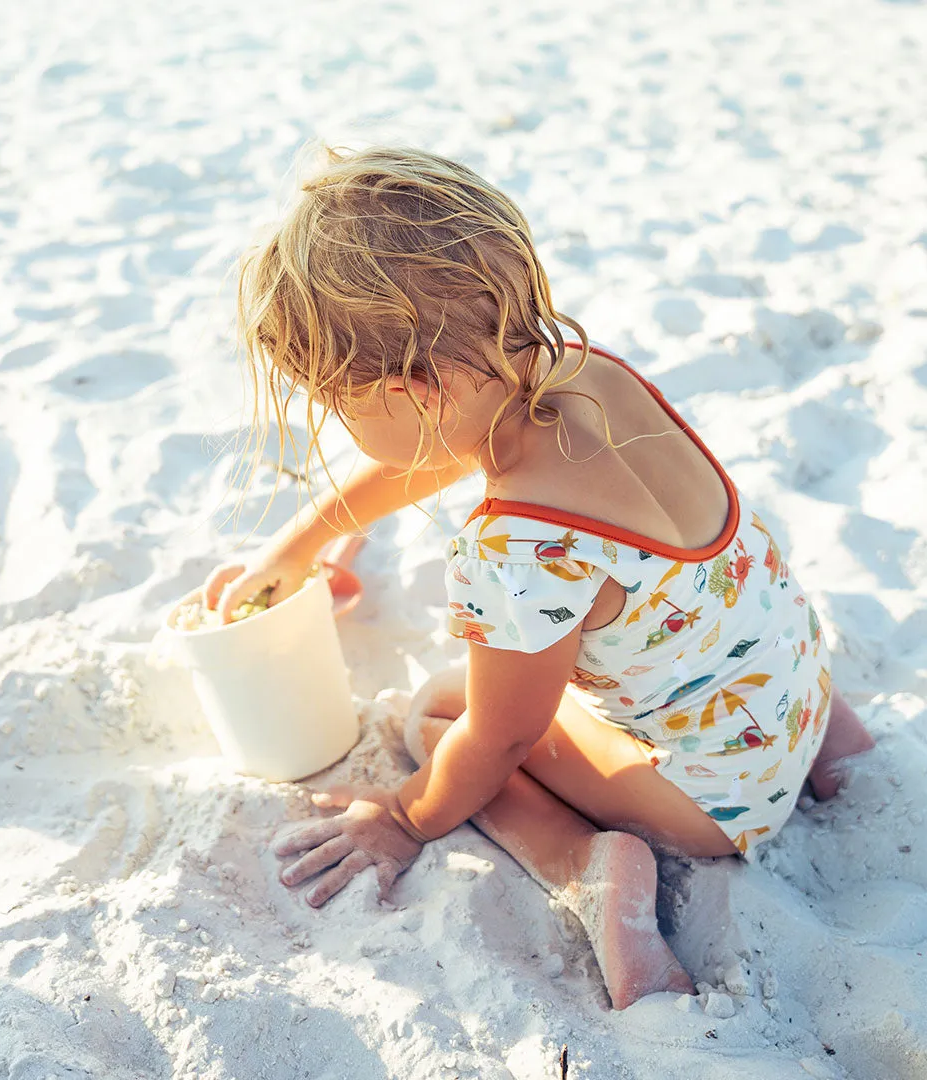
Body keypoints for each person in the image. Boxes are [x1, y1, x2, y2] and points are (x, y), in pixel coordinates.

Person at [202, 145, 876, 1009]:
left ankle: (592, 873)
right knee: (693, 612)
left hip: (716, 804)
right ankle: (835, 742)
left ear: (415, 389)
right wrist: (300, 545)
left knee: (439, 714)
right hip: (794, 688)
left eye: (340, 403)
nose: (338, 421)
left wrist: (405, 818)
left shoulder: (518, 552)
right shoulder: (584, 375)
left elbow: (501, 738)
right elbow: (450, 446)